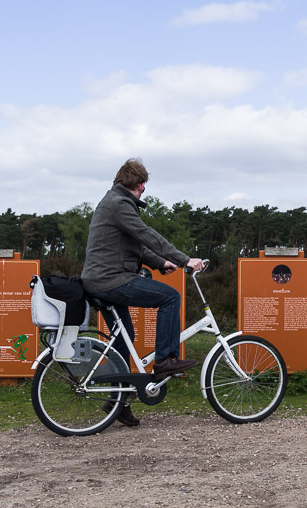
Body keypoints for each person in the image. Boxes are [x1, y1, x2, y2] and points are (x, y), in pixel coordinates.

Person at [81, 158, 205, 427]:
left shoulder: (111, 201)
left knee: (125, 339)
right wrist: (185, 260)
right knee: (170, 297)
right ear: (141, 185)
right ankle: (165, 361)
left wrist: (162, 263)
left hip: (99, 280)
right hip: (111, 281)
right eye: (144, 187)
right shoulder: (120, 204)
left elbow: (136, 244)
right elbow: (147, 235)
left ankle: (118, 402)